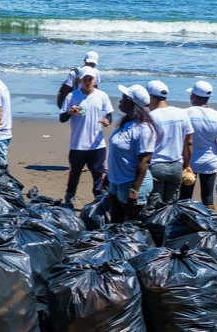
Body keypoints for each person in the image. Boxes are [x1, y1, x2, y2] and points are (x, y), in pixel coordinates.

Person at [59, 66, 113, 209]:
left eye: (91, 80)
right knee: (74, 174)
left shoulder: (102, 96)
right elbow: (62, 118)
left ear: (95, 80)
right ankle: (70, 197)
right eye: (85, 80)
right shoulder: (72, 96)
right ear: (80, 81)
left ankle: (100, 200)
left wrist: (108, 121)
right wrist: (70, 112)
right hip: (78, 144)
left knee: (98, 175)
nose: (88, 83)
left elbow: (109, 115)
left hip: (97, 144)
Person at [181, 80, 217, 210]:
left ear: (194, 97)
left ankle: (183, 226)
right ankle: (212, 224)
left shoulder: (186, 113)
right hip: (209, 162)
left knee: (184, 198)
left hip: (188, 163)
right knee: (208, 199)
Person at [107, 84, 158, 223]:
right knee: (115, 221)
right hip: (116, 181)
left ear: (132, 103)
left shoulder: (143, 129)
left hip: (130, 183)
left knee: (134, 224)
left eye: (124, 98)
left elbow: (145, 161)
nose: (120, 101)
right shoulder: (126, 123)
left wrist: (134, 190)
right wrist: (109, 175)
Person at [145, 80, 193, 208]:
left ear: (151, 97)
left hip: (156, 166)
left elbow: (146, 146)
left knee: (154, 206)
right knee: (170, 206)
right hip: (176, 166)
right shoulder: (182, 113)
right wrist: (187, 166)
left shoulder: (150, 117)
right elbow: (188, 143)